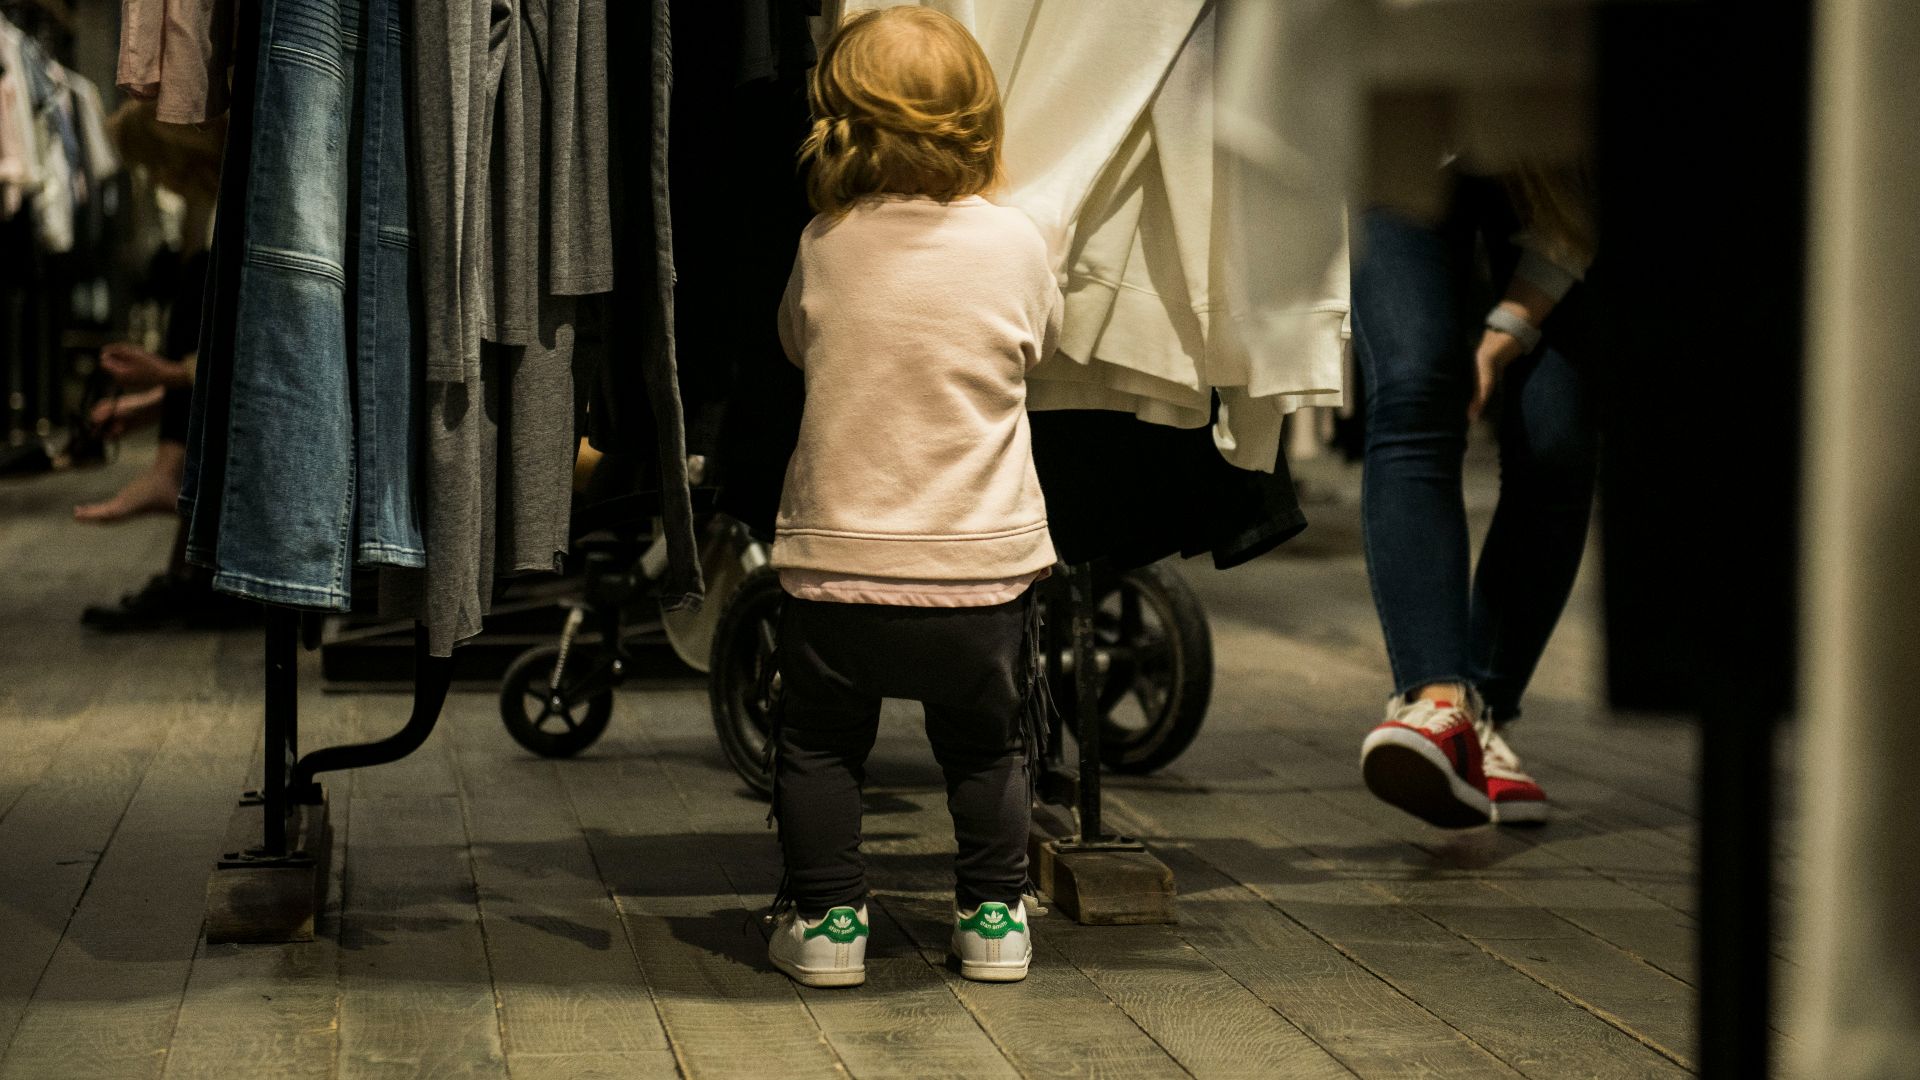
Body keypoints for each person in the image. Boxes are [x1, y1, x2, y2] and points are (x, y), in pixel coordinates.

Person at [763, 6, 1060, 988]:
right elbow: (1038, 349)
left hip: (837, 568)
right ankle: (992, 917)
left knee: (816, 745)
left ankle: (830, 924)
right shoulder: (1018, 243)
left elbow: (795, 346)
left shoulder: (823, 241)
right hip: (980, 573)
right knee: (987, 750)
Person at [1352, 164, 1597, 827]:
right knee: (1413, 386)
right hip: (1407, 135)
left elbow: (1577, 218)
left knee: (1558, 442)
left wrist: (1510, 329)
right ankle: (1437, 707)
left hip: (1560, 180)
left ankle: (1483, 712)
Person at [78, 102, 250, 630]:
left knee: (199, 282)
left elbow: (261, 356)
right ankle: (188, 571)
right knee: (197, 278)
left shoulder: (242, 220)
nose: (156, 178)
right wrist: (158, 398)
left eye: (157, 161)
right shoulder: (221, 214)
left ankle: (170, 474)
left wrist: (169, 378)